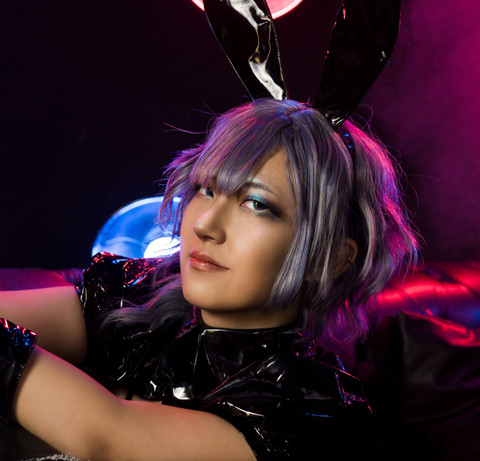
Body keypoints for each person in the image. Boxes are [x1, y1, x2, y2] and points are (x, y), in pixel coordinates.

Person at [0, 98, 418, 460]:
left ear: (331, 259)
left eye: (256, 204)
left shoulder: (312, 410)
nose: (205, 225)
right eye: (206, 189)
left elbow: (108, 435)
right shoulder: (136, 292)